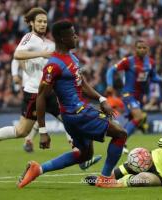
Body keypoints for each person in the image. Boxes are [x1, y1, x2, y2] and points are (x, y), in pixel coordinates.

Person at [0, 7, 101, 170]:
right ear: (31, 23)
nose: (42, 24)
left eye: (45, 22)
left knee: (70, 120)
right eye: (39, 21)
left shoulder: (47, 43)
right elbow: (17, 55)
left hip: (51, 91)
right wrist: (38, 56)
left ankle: (81, 156)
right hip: (34, 92)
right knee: (22, 131)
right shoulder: (29, 38)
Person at [17, 20, 127, 189]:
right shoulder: (53, 65)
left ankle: (38, 169)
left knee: (84, 155)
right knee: (120, 134)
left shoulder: (72, 57)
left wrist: (101, 99)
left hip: (75, 115)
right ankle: (105, 178)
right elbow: (41, 97)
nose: (76, 36)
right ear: (62, 38)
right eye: (72, 34)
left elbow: (81, 84)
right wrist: (43, 131)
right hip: (78, 113)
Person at [106, 40, 162, 153]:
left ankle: (119, 140)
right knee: (139, 117)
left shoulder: (151, 62)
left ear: (147, 49)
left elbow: (153, 77)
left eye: (144, 48)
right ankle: (122, 140)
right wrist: (110, 85)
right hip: (128, 94)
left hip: (139, 97)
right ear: (135, 49)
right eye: (139, 47)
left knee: (133, 120)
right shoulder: (128, 61)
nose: (142, 50)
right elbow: (111, 70)